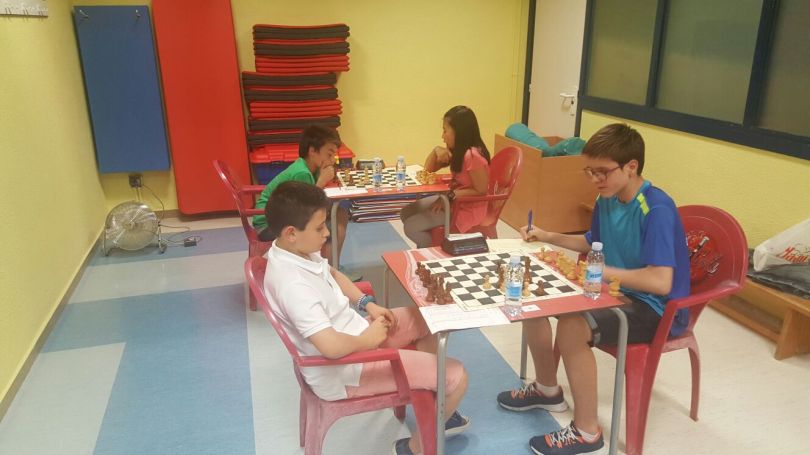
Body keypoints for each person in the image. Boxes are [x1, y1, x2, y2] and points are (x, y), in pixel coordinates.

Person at [496, 123, 690, 455]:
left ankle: (587, 432)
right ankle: (547, 389)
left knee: (573, 326)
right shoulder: (607, 198)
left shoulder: (656, 209)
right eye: (590, 172)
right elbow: (591, 242)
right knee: (535, 299)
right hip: (617, 291)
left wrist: (601, 273)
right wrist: (547, 235)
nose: (596, 179)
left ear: (631, 167)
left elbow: (660, 281)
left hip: (657, 308)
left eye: (603, 172)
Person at [263, 181, 470, 455]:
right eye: (320, 228)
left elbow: (332, 273)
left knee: (429, 319)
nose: (327, 233)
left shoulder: (293, 250)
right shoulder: (293, 285)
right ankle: (414, 446)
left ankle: (431, 397)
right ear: (291, 232)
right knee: (457, 377)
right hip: (347, 369)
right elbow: (330, 347)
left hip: (356, 337)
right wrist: (367, 340)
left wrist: (366, 304)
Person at [253, 124, 348, 265]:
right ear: (312, 151)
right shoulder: (302, 173)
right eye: (329, 154)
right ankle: (330, 268)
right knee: (336, 221)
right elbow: (307, 208)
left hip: (281, 216)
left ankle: (332, 265)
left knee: (339, 214)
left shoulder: (310, 167)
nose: (333, 159)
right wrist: (322, 181)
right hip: (268, 224)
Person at [400, 105, 491, 248]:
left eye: (445, 130)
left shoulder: (473, 156)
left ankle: (433, 251)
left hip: (467, 210)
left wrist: (450, 196)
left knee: (411, 227)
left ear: (459, 132)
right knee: (406, 213)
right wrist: (436, 150)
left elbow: (481, 190)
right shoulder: (457, 151)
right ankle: (433, 243)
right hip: (453, 202)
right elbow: (428, 170)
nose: (442, 136)